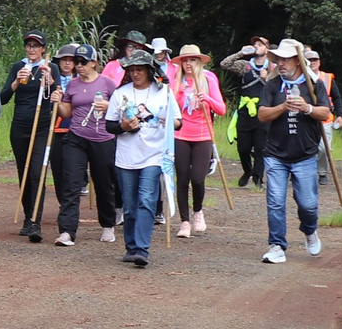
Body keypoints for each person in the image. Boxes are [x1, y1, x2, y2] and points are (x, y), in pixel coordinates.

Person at [254, 38, 334, 264]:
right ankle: (277, 245)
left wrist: (307, 108)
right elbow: (262, 115)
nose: (281, 63)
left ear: (298, 61)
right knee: (275, 202)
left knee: (308, 204)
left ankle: (309, 230)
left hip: (305, 154)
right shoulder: (272, 85)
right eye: (278, 59)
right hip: (275, 154)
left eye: (286, 59)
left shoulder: (313, 85)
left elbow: (325, 113)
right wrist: (282, 107)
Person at [108, 52, 176, 267]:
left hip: (154, 155)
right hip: (126, 157)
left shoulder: (164, 92)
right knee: (129, 206)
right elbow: (109, 125)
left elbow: (178, 123)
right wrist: (123, 127)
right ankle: (131, 246)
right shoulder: (120, 93)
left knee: (146, 200)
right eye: (132, 70)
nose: (135, 73)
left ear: (149, 70)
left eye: (140, 69)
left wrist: (169, 120)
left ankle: (141, 249)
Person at [50, 43, 119, 247]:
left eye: (82, 62)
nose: (78, 65)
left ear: (94, 63)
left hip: (103, 139)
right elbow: (66, 113)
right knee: (71, 183)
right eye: (76, 62)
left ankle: (108, 224)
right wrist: (57, 102)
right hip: (76, 138)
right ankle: (66, 231)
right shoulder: (72, 85)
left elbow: (121, 109)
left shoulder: (107, 83)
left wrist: (108, 106)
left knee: (104, 183)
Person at [5, 30, 57, 243]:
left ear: (43, 49)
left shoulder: (50, 67)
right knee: (24, 172)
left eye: (36, 46)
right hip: (20, 126)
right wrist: (16, 82)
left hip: (42, 126)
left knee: (37, 172)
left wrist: (50, 81)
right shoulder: (18, 67)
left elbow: (57, 95)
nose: (32, 49)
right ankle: (28, 217)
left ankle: (36, 221)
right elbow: (3, 97)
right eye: (29, 45)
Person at [171, 43, 228, 234]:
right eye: (185, 60)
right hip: (180, 134)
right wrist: (180, 93)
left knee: (197, 178)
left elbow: (221, 109)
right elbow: (170, 109)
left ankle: (197, 211)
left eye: (192, 60)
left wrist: (207, 99)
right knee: (182, 179)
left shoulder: (209, 78)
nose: (188, 64)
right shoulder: (176, 80)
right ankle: (184, 222)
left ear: (200, 62)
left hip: (203, 134)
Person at [226, 34, 274, 186]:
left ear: (267, 49)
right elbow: (225, 64)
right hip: (245, 111)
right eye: (255, 45)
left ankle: (258, 178)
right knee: (243, 148)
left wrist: (268, 78)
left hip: (263, 111)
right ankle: (248, 171)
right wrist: (241, 53)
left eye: (260, 45)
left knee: (260, 148)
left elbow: (280, 85)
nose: (256, 47)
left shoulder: (273, 67)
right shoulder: (245, 66)